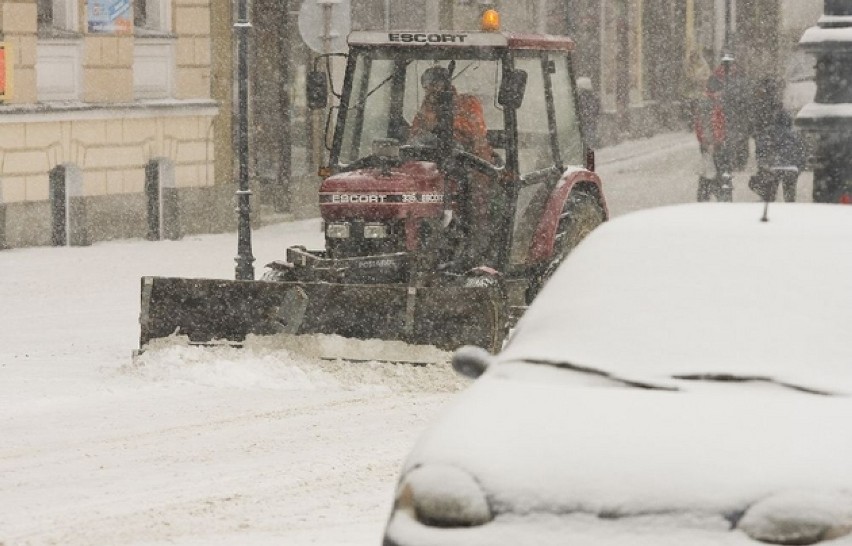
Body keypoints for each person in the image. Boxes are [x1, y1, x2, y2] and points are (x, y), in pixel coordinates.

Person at [409, 66, 497, 265]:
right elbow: (415, 134)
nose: (431, 91)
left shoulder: (467, 103)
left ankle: (476, 254)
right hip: (436, 165)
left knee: (475, 200)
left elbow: (475, 131)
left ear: (446, 83)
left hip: (472, 163)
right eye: (427, 87)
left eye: (435, 85)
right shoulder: (425, 110)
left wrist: (448, 125)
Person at [749, 78, 806, 202]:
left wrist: (763, 165)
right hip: (791, 169)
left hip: (774, 167)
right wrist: (799, 167)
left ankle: (768, 202)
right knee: (790, 195)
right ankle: (789, 209)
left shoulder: (769, 131)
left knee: (769, 194)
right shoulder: (794, 134)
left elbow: (762, 149)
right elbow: (802, 152)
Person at [693, 74, 732, 201]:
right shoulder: (708, 104)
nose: (721, 93)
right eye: (719, 90)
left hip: (713, 143)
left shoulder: (712, 103)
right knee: (713, 171)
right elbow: (706, 125)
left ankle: (707, 195)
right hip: (712, 144)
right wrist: (712, 143)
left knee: (710, 171)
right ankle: (719, 196)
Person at [713, 54, 752, 171]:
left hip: (734, 112)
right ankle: (734, 162)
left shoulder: (720, 77)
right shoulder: (719, 77)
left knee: (735, 138)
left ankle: (734, 162)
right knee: (732, 138)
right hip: (730, 113)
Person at [576, 76, 600, 148]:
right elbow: (596, 109)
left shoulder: (581, 97)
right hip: (590, 122)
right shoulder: (593, 96)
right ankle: (590, 159)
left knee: (585, 143)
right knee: (590, 144)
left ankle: (586, 158)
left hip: (584, 123)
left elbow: (582, 109)